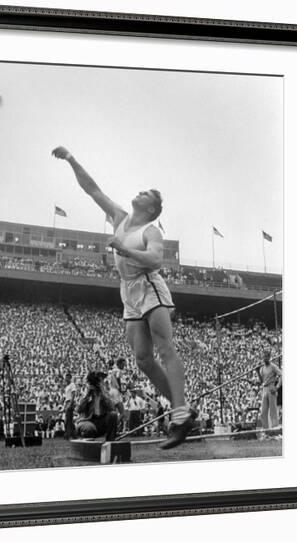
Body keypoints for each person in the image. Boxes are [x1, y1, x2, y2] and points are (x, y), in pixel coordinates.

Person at [52, 146, 194, 448]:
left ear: (152, 208)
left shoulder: (151, 230)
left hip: (149, 285)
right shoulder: (119, 216)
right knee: (143, 359)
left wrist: (123, 248)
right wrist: (71, 159)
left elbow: (155, 261)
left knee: (165, 348)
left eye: (146, 194)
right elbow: (92, 189)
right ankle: (183, 408)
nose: (139, 192)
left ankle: (179, 415)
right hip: (128, 291)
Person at [75, 371, 118, 441]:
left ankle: (110, 442)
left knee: (113, 415)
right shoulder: (86, 393)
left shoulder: (104, 394)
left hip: (101, 420)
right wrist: (87, 395)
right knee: (89, 428)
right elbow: (79, 409)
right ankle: (89, 446)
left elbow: (112, 408)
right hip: (88, 420)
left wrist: (103, 392)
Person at [255, 350, 282, 438]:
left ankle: (275, 432)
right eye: (264, 356)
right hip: (264, 388)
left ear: (269, 357)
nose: (265, 358)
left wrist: (277, 386)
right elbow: (261, 381)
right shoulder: (262, 368)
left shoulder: (273, 366)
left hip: (271, 388)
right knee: (263, 412)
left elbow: (281, 375)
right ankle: (266, 432)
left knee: (273, 411)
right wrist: (257, 372)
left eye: (266, 356)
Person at [63, 373, 77, 439]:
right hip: (67, 402)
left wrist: (71, 404)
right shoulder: (67, 386)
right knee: (69, 419)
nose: (66, 379)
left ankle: (68, 435)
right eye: (65, 377)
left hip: (70, 402)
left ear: (70, 378)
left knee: (68, 419)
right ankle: (73, 435)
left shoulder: (72, 385)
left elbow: (73, 394)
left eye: (67, 377)